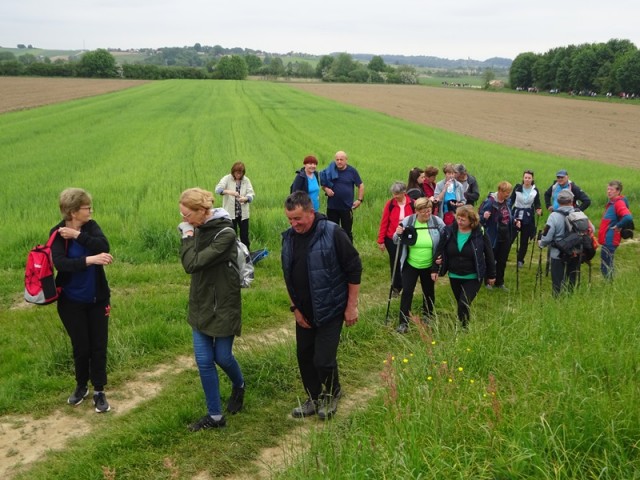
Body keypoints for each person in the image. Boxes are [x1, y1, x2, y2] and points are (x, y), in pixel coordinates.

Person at [281, 191, 362, 420]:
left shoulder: (333, 233)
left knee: (323, 360)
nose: (294, 224)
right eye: (290, 219)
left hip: (331, 308)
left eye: (298, 219)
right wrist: (295, 309)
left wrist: (351, 307)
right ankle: (313, 397)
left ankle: (333, 393)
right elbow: (287, 275)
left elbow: (354, 268)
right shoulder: (288, 238)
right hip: (304, 310)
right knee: (304, 356)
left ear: (311, 212)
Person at [178, 188, 245, 431]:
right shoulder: (197, 228)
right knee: (205, 361)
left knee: (223, 357)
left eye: (187, 215)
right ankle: (215, 416)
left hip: (223, 303)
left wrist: (187, 237)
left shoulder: (225, 233)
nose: (183, 220)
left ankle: (239, 385)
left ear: (202, 211)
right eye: (182, 215)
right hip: (200, 301)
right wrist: (190, 232)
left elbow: (192, 263)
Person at [51, 188, 114, 413]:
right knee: (81, 347)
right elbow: (61, 264)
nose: (90, 211)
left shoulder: (90, 227)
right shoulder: (57, 233)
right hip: (70, 302)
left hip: (97, 299)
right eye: (87, 208)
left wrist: (78, 236)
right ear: (73, 211)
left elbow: (103, 246)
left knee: (98, 346)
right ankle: (81, 387)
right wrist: (90, 259)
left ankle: (99, 390)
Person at [435, 205, 496, 328]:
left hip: (473, 275)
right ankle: (463, 324)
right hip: (454, 274)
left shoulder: (480, 232)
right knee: (461, 303)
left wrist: (491, 275)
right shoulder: (449, 231)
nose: (459, 222)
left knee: (464, 302)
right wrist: (436, 267)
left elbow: (489, 253)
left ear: (472, 221)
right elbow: (439, 250)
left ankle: (463, 329)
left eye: (463, 219)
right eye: (458, 218)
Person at [393, 198, 445, 333]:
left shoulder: (436, 222)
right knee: (407, 292)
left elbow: (446, 238)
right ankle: (403, 322)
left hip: (429, 265)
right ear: (416, 211)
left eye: (429, 211)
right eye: (424, 212)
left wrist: (441, 257)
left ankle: (428, 316)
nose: (427, 214)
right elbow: (395, 240)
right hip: (411, 263)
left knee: (428, 292)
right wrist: (398, 233)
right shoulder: (408, 221)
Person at [539, 189, 585, 296]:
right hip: (575, 252)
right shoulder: (579, 213)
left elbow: (547, 237)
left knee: (557, 282)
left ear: (558, 201)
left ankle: (558, 301)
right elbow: (591, 228)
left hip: (557, 254)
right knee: (572, 280)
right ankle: (571, 299)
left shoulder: (553, 216)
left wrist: (541, 243)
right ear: (572, 201)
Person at [377, 182, 415, 297]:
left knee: (408, 261)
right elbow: (384, 222)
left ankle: (407, 285)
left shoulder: (413, 203)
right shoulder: (390, 204)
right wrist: (381, 240)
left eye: (397, 194)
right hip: (391, 238)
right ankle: (396, 287)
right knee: (395, 262)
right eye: (393, 194)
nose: (395, 196)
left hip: (408, 238)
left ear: (404, 193)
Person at [320, 150, 364, 243]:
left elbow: (360, 185)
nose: (339, 162)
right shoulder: (330, 170)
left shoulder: (352, 171)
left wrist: (359, 200)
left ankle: (349, 254)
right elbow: (323, 184)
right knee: (332, 232)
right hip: (332, 207)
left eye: (341, 159)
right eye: (337, 160)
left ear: (346, 160)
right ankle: (334, 253)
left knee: (347, 232)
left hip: (346, 207)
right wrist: (326, 189)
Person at [479, 181, 515, 290]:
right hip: (493, 236)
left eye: (509, 192)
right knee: (491, 259)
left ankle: (500, 282)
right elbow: (480, 219)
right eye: (506, 192)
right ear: (500, 191)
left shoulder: (507, 202)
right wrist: (483, 217)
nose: (508, 195)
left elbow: (508, 217)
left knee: (502, 260)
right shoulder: (490, 203)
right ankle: (488, 281)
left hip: (506, 235)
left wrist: (515, 221)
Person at [598, 180, 634, 280]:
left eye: (611, 189)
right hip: (607, 239)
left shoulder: (619, 203)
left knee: (606, 265)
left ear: (618, 191)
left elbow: (628, 217)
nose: (608, 191)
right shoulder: (612, 203)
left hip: (610, 239)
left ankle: (609, 286)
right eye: (608, 189)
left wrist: (618, 226)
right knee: (607, 263)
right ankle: (610, 283)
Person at [215, 161, 255, 249]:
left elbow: (251, 194)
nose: (238, 175)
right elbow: (218, 189)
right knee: (232, 236)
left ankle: (246, 256)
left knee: (244, 237)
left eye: (240, 173)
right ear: (233, 172)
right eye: (237, 173)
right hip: (230, 214)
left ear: (243, 173)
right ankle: (234, 256)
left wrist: (245, 199)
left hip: (243, 214)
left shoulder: (246, 180)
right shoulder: (227, 178)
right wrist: (230, 192)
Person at [510, 170, 543, 267]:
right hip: (516, 213)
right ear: (523, 178)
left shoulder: (535, 190)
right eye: (526, 177)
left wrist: (538, 209)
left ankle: (520, 259)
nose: (527, 180)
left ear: (532, 179)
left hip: (528, 216)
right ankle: (502, 256)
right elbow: (511, 200)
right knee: (510, 237)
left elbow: (537, 203)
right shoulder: (517, 188)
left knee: (524, 240)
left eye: (529, 178)